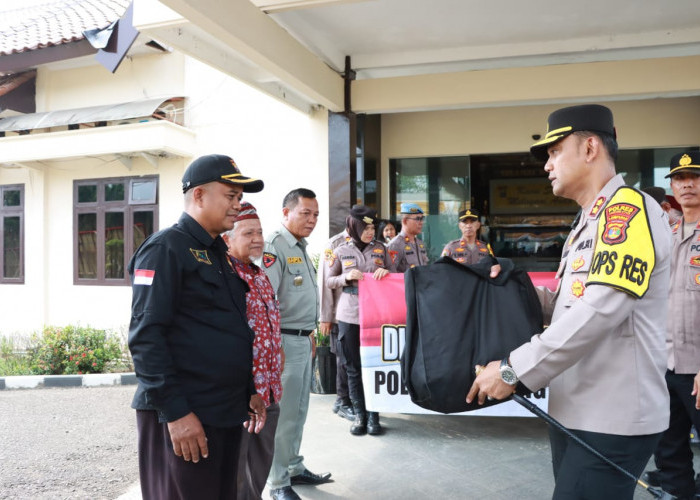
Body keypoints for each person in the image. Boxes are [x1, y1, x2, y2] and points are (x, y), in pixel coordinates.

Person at [466, 104, 672, 499]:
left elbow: (600, 310)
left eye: (555, 151)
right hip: (578, 410)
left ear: (591, 147)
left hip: (611, 416)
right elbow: (572, 303)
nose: (547, 165)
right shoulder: (588, 220)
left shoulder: (625, 213)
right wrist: (510, 288)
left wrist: (512, 371)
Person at [127, 154, 266, 500]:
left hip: (222, 410)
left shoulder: (218, 252)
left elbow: (227, 326)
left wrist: (247, 389)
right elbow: (146, 337)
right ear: (200, 195)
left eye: (239, 197)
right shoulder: (165, 249)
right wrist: (176, 413)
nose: (238, 205)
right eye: (230, 196)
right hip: (186, 414)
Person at [263, 188, 331, 500]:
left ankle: (293, 466)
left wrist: (312, 333)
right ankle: (278, 483)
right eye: (306, 213)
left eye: (316, 214)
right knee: (284, 415)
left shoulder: (300, 247)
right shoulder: (275, 246)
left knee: (300, 410)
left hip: (303, 339)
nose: (312, 219)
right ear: (286, 212)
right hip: (285, 343)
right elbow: (266, 302)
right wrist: (275, 345)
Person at [643, 152, 700, 499]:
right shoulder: (664, 233)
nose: (688, 185)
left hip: (698, 367)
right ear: (672, 189)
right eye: (680, 179)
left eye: (695, 177)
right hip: (663, 362)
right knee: (668, 447)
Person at [222, 201, 283, 500]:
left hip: (270, 390)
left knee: (260, 464)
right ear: (227, 239)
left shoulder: (258, 274)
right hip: (245, 395)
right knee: (237, 472)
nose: (258, 238)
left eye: (259, 232)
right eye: (248, 233)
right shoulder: (225, 277)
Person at [325, 205, 394, 435]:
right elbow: (329, 280)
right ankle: (359, 416)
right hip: (349, 313)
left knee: (373, 366)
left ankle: (374, 416)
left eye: (373, 227)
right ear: (354, 227)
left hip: (374, 314)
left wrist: (386, 273)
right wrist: (346, 277)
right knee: (352, 367)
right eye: (365, 228)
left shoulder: (381, 250)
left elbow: (394, 276)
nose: (370, 232)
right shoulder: (340, 250)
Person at [318, 229, 355, 422]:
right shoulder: (335, 243)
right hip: (340, 313)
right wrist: (326, 316)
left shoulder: (368, 242)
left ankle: (352, 399)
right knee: (343, 358)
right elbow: (326, 281)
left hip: (361, 312)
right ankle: (342, 400)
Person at [387, 203, 429, 272]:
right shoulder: (395, 244)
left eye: (422, 219)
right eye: (418, 219)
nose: (421, 222)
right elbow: (391, 273)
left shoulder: (419, 243)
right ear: (405, 221)